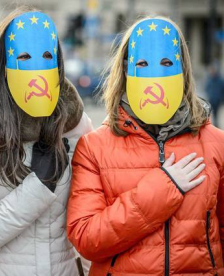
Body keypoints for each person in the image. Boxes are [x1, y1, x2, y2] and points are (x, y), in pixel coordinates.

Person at [67, 16, 224, 275]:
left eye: (166, 63)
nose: (156, 74)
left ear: (182, 69)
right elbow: (86, 238)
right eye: (143, 63)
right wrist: (162, 189)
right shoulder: (94, 147)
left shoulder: (216, 144)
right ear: (127, 70)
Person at [0, 7, 93, 276]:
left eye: (47, 56)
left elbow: (85, 226)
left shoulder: (75, 125)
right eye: (23, 56)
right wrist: (40, 185)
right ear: (1, 62)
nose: (35, 66)